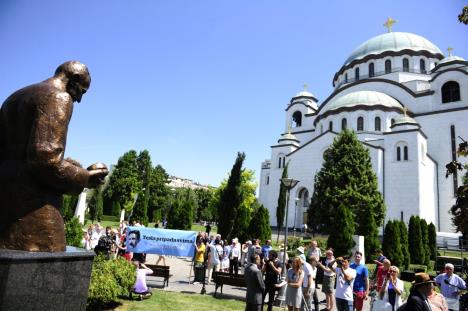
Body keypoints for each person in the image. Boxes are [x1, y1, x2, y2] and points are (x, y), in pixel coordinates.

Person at [0, 61, 109, 252]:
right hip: (33, 209)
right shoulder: (58, 97)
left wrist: (70, 165)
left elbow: (18, 153)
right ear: (73, 80)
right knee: (46, 269)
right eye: (81, 91)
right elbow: (45, 160)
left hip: (6, 203)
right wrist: (85, 177)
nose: (79, 99)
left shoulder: (14, 98)